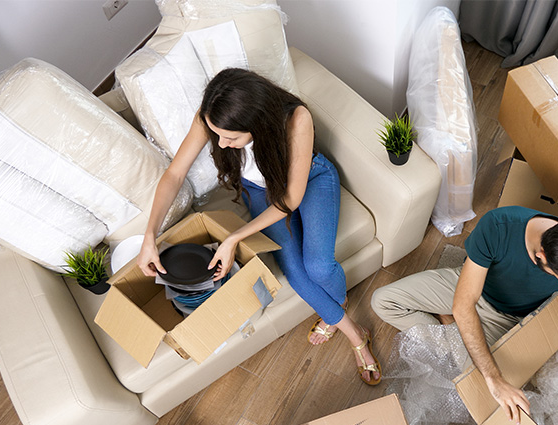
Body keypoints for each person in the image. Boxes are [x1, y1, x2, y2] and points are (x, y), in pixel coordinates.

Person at [137, 68, 380, 385]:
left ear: (256, 124)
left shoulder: (295, 119)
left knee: (319, 267)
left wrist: (234, 238)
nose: (221, 145)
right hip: (259, 191)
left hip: (309, 181)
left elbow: (290, 199)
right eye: (217, 135)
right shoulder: (213, 118)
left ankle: (337, 306)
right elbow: (174, 175)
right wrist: (149, 235)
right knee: (294, 270)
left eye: (231, 138)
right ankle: (355, 335)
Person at [372, 206, 558, 425]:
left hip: (505, 319)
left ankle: (450, 328)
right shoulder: (499, 226)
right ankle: (457, 331)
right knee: (383, 301)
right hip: (467, 287)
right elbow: (465, 303)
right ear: (541, 255)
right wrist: (495, 378)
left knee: (479, 393)